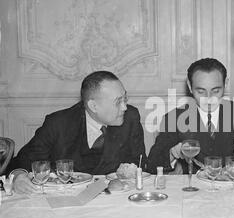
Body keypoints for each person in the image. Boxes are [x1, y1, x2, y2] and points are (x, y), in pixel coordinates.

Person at [8, 71, 147, 194]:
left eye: (125, 99)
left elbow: (139, 164)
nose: (124, 107)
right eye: (118, 102)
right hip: (65, 202)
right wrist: (18, 177)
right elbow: (23, 161)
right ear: (93, 106)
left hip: (113, 199)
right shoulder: (59, 124)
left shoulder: (130, 118)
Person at [147, 58, 234, 174]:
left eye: (215, 91)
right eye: (201, 92)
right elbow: (151, 164)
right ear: (190, 86)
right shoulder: (173, 118)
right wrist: (172, 153)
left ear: (225, 84)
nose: (209, 98)